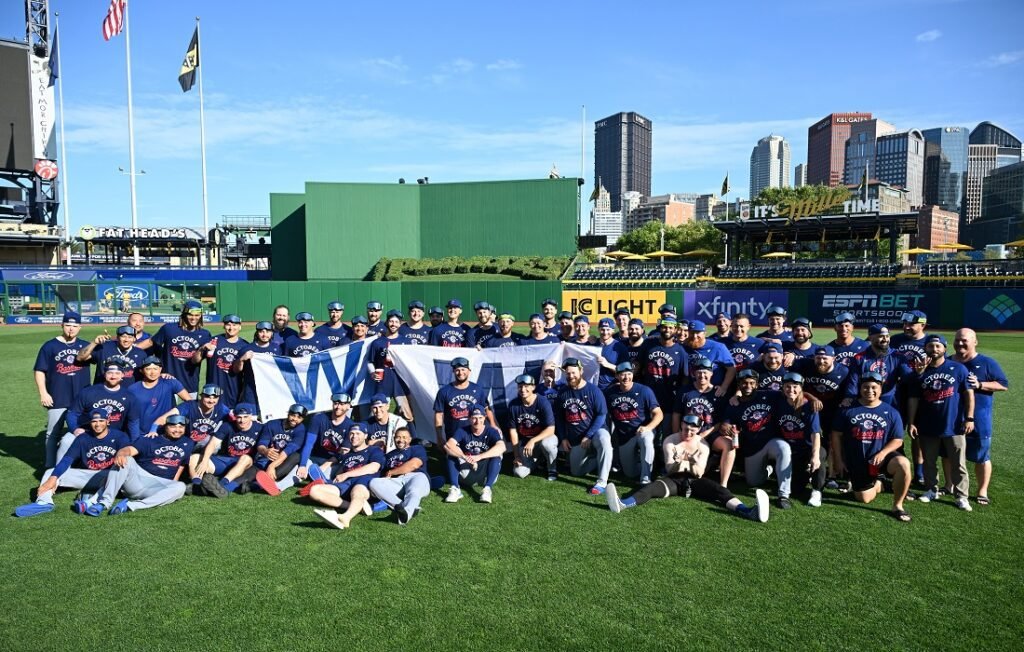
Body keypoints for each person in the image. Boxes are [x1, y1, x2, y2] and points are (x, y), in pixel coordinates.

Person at [605, 414, 770, 523]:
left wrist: (684, 462)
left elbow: (699, 472)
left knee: (721, 491)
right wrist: (687, 462)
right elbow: (670, 469)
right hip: (674, 480)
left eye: (692, 430)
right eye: (685, 429)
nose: (688, 433)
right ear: (681, 426)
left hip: (695, 481)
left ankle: (748, 511)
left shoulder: (703, 445)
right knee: (650, 488)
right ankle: (624, 503)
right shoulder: (670, 440)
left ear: (698, 429)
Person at [14, 409, 131, 517]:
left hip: (108, 476)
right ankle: (44, 502)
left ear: (108, 421)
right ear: (90, 422)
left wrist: (122, 453)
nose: (98, 424)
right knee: (50, 472)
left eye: (101, 420)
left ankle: (92, 501)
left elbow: (127, 455)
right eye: (94, 421)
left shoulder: (119, 436)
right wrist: (53, 479)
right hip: (86, 475)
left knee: (117, 470)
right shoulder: (83, 438)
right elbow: (66, 460)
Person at [829, 372, 912, 522]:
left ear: (881, 389)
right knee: (864, 498)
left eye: (874, 387)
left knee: (904, 464)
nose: (870, 390)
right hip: (858, 460)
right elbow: (836, 435)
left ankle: (898, 506)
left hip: (882, 457)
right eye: (865, 387)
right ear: (860, 389)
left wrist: (883, 453)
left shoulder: (891, 412)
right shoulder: (847, 409)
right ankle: (880, 483)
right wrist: (838, 460)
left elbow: (898, 440)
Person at [906, 334, 974, 510]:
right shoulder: (920, 370)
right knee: (929, 461)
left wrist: (969, 418)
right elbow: (914, 399)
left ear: (944, 348)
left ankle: (961, 496)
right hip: (928, 424)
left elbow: (969, 395)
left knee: (958, 462)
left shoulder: (958, 368)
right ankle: (931, 489)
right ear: (925, 349)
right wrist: (912, 422)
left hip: (954, 425)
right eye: (930, 346)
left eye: (938, 346)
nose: (934, 349)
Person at [86, 414, 195, 516]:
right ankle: (104, 502)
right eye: (173, 426)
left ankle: (130, 506)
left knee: (180, 487)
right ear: (165, 427)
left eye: (181, 427)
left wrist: (173, 482)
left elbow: (181, 465)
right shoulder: (150, 439)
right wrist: (121, 453)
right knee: (126, 460)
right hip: (138, 481)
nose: (177, 430)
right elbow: (129, 450)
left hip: (158, 487)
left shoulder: (188, 443)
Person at [951, 328, 1008, 505]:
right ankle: (949, 485)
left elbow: (1003, 384)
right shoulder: (946, 361)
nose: (960, 343)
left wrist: (980, 384)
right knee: (948, 454)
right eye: (958, 340)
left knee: (981, 455)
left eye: (965, 340)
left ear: (975, 342)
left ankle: (982, 491)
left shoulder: (986, 362)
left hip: (979, 418)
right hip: (951, 418)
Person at [721, 369, 792, 508]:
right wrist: (725, 427)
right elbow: (725, 423)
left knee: (783, 448)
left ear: (757, 385)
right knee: (753, 482)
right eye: (744, 383)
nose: (748, 386)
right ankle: (769, 469)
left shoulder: (769, 395)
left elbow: (795, 393)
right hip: (752, 447)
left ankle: (783, 495)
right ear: (739, 385)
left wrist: (813, 399)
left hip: (771, 441)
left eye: (752, 383)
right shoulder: (735, 403)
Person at [33, 311, 90, 467]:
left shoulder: (85, 346)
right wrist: (43, 393)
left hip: (81, 399)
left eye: (74, 326)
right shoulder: (50, 346)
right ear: (62, 325)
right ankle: (50, 466)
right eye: (68, 325)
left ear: (80, 327)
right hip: (57, 396)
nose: (71, 329)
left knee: (82, 432)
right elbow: (39, 370)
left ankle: (80, 464)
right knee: (53, 433)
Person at [554, 357, 613, 495]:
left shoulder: (594, 390)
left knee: (604, 440)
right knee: (576, 471)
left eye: (574, 372)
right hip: (576, 437)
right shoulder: (563, 392)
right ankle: (597, 458)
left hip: (595, 432)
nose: (571, 376)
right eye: (568, 373)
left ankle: (602, 482)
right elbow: (560, 418)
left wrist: (589, 435)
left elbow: (601, 415)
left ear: (581, 371)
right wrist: (563, 438)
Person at [310, 423, 385, 530]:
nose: (354, 436)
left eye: (358, 433)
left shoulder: (374, 450)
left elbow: (374, 467)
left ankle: (346, 517)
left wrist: (347, 474)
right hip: (345, 485)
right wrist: (337, 476)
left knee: (357, 491)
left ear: (365, 435)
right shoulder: (347, 455)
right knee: (314, 491)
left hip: (363, 481)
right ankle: (355, 506)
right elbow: (339, 473)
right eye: (351, 434)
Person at [675, 357, 735, 487]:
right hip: (689, 434)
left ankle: (723, 484)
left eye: (706, 372)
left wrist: (704, 434)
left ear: (711, 373)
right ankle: (709, 462)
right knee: (693, 474)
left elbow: (720, 421)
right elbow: (676, 414)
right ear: (694, 373)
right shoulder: (685, 391)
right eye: (699, 372)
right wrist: (677, 436)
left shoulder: (718, 392)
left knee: (729, 445)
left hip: (710, 433)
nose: (702, 375)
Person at [604, 362, 662, 485]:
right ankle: (647, 463)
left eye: (629, 374)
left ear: (633, 374)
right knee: (630, 473)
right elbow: (604, 414)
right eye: (623, 374)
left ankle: (646, 478)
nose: (626, 377)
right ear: (617, 376)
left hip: (642, 430)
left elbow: (659, 414)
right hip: (625, 436)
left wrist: (648, 428)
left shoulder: (644, 390)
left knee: (646, 439)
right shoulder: (610, 392)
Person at [139, 300, 212, 396]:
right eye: (190, 315)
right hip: (167, 378)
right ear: (184, 314)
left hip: (190, 381)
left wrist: (201, 349)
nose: (194, 318)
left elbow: (196, 360)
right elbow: (150, 342)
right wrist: (132, 348)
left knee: (190, 409)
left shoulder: (205, 334)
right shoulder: (169, 329)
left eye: (197, 315)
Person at [157, 384, 229, 479]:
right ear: (201, 395)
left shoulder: (221, 408)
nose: (211, 400)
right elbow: (164, 418)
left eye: (215, 397)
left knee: (213, 441)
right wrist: (153, 430)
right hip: (186, 441)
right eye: (207, 397)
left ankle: (202, 471)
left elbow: (235, 417)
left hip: (204, 444)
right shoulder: (190, 405)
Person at [192, 402, 263, 498]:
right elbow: (212, 443)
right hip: (226, 460)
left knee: (245, 458)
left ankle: (222, 484)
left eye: (245, 417)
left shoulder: (259, 428)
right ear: (234, 416)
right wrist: (204, 461)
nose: (242, 420)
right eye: (239, 417)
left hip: (245, 464)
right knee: (195, 457)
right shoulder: (227, 426)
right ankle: (196, 485)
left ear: (251, 416)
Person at [776, 372, 826, 507]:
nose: (791, 390)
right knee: (796, 489)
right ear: (782, 387)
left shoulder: (809, 406)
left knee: (820, 455)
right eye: (787, 386)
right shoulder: (778, 401)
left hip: (806, 448)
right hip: (790, 450)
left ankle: (817, 491)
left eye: (795, 387)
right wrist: (737, 394)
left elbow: (815, 433)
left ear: (801, 388)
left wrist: (815, 456)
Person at [238, 404, 308, 495]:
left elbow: (288, 451)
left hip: (284, 462)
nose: (295, 419)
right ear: (288, 413)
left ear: (302, 419)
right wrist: (265, 451)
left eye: (299, 417)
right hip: (266, 458)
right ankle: (226, 485)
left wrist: (272, 466)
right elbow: (261, 444)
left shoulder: (301, 429)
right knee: (240, 480)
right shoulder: (272, 424)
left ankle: (255, 485)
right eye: (293, 415)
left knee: (296, 456)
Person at [64, 362, 140, 444]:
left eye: (117, 373)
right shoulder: (88, 392)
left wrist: (134, 444)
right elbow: (72, 413)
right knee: (66, 441)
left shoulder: (129, 397)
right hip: (88, 434)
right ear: (104, 374)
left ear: (122, 375)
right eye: (110, 373)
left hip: (114, 437)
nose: (113, 376)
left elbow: (133, 422)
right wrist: (75, 429)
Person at [369, 426, 432, 524]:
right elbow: (381, 473)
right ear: (394, 439)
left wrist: (392, 472)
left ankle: (406, 514)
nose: (400, 440)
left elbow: (413, 465)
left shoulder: (417, 448)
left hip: (415, 476)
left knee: (413, 491)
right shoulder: (388, 455)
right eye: (398, 437)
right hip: (397, 483)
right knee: (373, 483)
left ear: (410, 439)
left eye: (404, 437)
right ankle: (404, 507)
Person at [444, 405, 506, 504]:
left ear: (485, 418)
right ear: (469, 419)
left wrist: (479, 457)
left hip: (485, 473)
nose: (477, 421)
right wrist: (464, 456)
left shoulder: (491, 431)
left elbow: (502, 447)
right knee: (451, 453)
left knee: (497, 454)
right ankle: (455, 488)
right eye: (474, 418)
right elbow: (448, 445)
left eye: (480, 418)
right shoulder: (463, 430)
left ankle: (487, 489)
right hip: (467, 470)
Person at [297, 393, 356, 494]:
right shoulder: (318, 418)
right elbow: (309, 443)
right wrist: (302, 465)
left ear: (348, 406)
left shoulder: (351, 426)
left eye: (342, 404)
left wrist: (325, 465)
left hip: (333, 463)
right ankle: (278, 486)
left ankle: (314, 486)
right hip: (314, 458)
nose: (338, 407)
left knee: (329, 474)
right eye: (336, 403)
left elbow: (342, 453)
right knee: (296, 470)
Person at [507, 374, 558, 481]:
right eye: (520, 386)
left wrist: (533, 441)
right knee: (519, 473)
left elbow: (551, 429)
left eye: (526, 386)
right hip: (525, 444)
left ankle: (552, 469)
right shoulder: (513, 405)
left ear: (533, 387)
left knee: (547, 444)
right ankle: (538, 461)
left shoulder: (542, 401)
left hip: (543, 439)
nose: (523, 389)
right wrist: (516, 456)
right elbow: (513, 432)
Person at [433, 357, 492, 447]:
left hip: (475, 435)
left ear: (469, 371)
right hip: (453, 437)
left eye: (463, 369)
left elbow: (486, 409)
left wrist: (494, 425)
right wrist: (439, 437)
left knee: (477, 460)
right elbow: (439, 415)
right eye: (457, 370)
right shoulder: (444, 391)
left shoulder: (478, 389)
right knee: (454, 460)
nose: (460, 373)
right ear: (453, 371)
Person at [636, 316, 688, 416]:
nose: (667, 330)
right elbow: (638, 364)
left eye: (670, 327)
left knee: (667, 430)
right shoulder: (648, 343)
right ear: (660, 328)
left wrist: (680, 395)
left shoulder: (681, 351)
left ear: (675, 330)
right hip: (648, 395)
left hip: (669, 398)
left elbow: (684, 377)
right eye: (664, 327)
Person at [193, 314, 247, 409]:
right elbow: (195, 361)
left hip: (235, 391)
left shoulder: (245, 345)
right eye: (228, 325)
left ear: (240, 326)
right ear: (224, 326)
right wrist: (202, 348)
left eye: (234, 325)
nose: (231, 328)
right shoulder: (213, 341)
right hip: (213, 393)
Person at [128, 356, 190, 435]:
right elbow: (132, 417)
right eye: (148, 369)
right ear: (142, 371)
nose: (152, 372)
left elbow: (189, 402)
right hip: (143, 434)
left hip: (166, 433)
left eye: (155, 369)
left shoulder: (170, 382)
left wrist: (176, 416)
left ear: (160, 369)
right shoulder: (133, 389)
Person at [234, 321, 283, 410]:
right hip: (251, 393)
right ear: (257, 333)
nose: (265, 335)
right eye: (261, 332)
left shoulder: (277, 349)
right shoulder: (247, 349)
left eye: (268, 332)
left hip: (270, 392)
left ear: (272, 333)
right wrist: (242, 359)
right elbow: (236, 370)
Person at [77, 325, 147, 385]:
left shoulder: (141, 354)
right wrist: (94, 343)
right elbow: (80, 358)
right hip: (102, 392)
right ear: (117, 337)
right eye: (123, 336)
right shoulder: (104, 347)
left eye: (130, 337)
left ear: (134, 339)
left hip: (128, 395)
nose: (126, 340)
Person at [683, 320, 735, 393]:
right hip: (690, 391)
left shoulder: (718, 347)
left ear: (704, 333)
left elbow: (731, 369)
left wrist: (724, 387)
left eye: (698, 332)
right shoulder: (684, 347)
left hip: (713, 392)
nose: (694, 336)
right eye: (692, 332)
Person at [594, 318, 627, 389]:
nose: (605, 332)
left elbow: (625, 371)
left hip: (611, 387)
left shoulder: (619, 347)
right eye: (602, 329)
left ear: (613, 330)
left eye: (608, 330)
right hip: (593, 386)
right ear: (598, 329)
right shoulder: (593, 344)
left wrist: (607, 364)